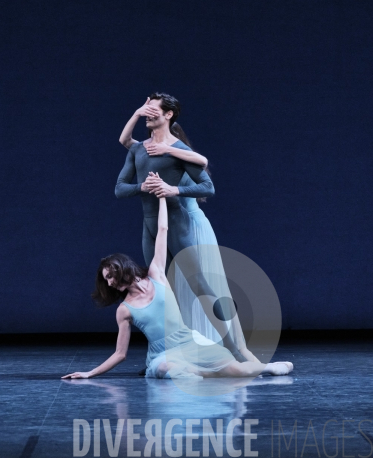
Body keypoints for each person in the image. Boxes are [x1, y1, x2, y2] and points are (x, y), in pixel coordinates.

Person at [62, 193, 294, 380]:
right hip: (163, 355)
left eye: (110, 275)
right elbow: (120, 354)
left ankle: (267, 368)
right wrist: (90, 373)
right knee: (164, 367)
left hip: (189, 343)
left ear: (121, 267)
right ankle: (197, 375)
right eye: (107, 280)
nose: (110, 282)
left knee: (233, 370)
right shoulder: (124, 310)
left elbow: (162, 231)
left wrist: (162, 197)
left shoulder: (155, 274)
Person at [118, 95, 258, 363]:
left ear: (169, 115)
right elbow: (122, 171)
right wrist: (141, 187)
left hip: (179, 223)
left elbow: (207, 183)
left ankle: (238, 350)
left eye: (153, 109)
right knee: (161, 294)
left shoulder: (178, 150)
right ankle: (164, 356)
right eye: (145, 108)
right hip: (151, 225)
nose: (147, 113)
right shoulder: (141, 149)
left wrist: (174, 188)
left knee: (201, 288)